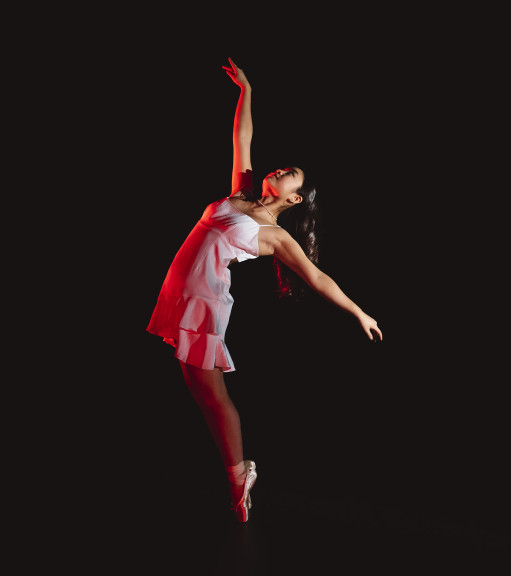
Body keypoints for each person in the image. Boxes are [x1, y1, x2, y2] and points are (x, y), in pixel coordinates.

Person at [147, 58, 382, 523]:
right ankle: (239, 473)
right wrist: (246, 90)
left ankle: (239, 477)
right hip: (180, 291)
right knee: (201, 394)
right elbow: (242, 139)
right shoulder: (242, 191)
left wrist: (359, 312)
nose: (282, 167)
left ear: (293, 198)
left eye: (292, 172)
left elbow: (316, 278)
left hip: (204, 301)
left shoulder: (274, 235)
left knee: (212, 397)